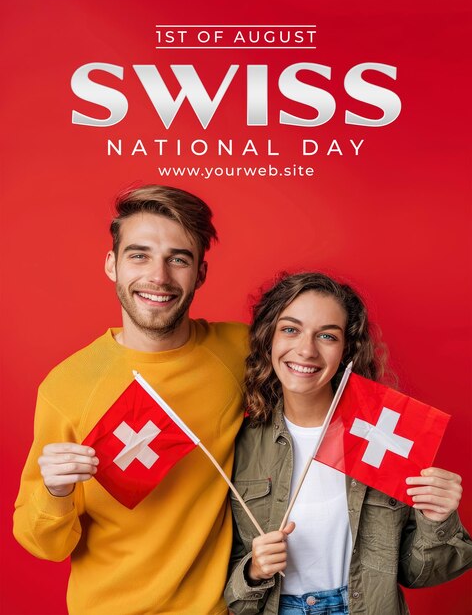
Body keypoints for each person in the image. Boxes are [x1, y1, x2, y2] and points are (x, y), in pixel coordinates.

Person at [13, 185, 248, 615]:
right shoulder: (67, 388)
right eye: (139, 255)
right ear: (112, 265)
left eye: (178, 259)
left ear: (201, 274)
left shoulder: (240, 352)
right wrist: (55, 490)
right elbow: (43, 544)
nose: (158, 277)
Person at [225, 272, 472, 615]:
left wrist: (438, 518)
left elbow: (419, 574)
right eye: (290, 329)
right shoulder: (238, 443)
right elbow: (228, 592)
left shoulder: (388, 436)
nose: (306, 349)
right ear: (269, 338)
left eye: (327, 335)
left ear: (346, 350)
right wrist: (253, 571)